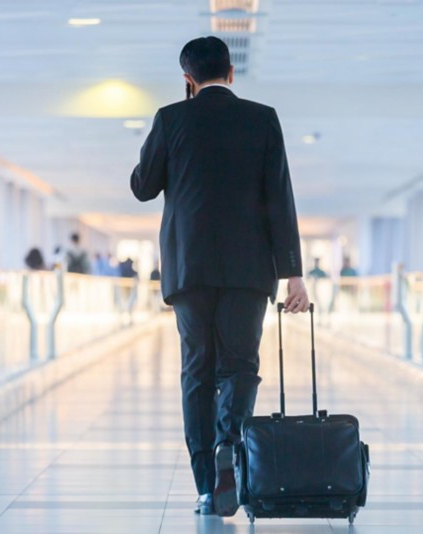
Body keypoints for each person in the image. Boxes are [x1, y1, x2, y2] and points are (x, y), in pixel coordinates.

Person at [130, 36, 310, 517]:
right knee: (240, 365)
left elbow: (143, 187)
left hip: (189, 269)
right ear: (232, 73)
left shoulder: (171, 118)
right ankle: (230, 445)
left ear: (187, 80)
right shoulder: (263, 118)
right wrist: (294, 274)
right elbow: (280, 198)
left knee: (197, 370)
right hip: (251, 270)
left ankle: (207, 484)